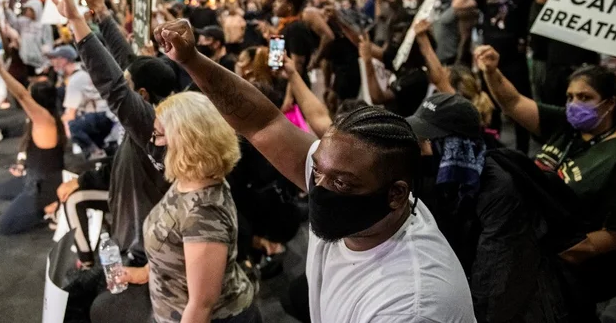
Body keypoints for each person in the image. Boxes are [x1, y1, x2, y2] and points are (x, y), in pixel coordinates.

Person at [154, 18, 475, 323]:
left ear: (396, 194)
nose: (318, 186)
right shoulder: (346, 180)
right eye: (318, 170)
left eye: (340, 182)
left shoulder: (412, 305)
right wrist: (192, 60)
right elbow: (262, 123)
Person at [51, 0, 176, 322]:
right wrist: (102, 13)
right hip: (133, 230)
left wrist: (77, 21)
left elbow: (114, 83)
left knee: (81, 305)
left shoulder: (153, 125)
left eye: (130, 82)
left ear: (142, 94)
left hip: (143, 251)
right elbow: (129, 64)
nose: (125, 72)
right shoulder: (167, 107)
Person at [406, 93, 583, 322]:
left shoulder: (499, 190)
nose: (418, 148)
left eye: (426, 140)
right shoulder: (447, 181)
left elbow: (497, 283)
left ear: (453, 147)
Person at [476, 45, 616, 308]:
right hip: (530, 253)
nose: (574, 105)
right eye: (570, 97)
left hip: (572, 274)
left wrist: (549, 252)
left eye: (584, 97)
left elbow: (615, 234)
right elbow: (513, 102)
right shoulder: (567, 127)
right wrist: (491, 71)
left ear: (610, 102)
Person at [115, 92, 260, 323]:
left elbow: (201, 305)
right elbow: (171, 243)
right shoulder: (190, 179)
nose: (155, 142)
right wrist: (146, 272)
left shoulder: (202, 213)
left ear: (187, 143)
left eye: (160, 135)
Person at [452, 0, 534, 154]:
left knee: (520, 105)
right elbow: (458, 4)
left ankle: (523, 152)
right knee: (492, 109)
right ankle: (494, 150)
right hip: (489, 62)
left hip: (515, 59)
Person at [0, 54, 65, 235]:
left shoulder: (45, 121)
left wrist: (0, 70)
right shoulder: (46, 117)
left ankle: (53, 208)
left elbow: (22, 95)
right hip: (33, 176)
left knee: (5, 226)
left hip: (44, 187)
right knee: (0, 191)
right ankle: (43, 203)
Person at [46, 44, 113, 160]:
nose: (53, 62)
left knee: (73, 126)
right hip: (101, 114)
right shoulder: (77, 72)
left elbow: (70, 114)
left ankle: (96, 153)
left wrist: (53, 126)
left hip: (102, 116)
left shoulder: (76, 79)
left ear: (64, 60)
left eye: (56, 58)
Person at [4, 0, 53, 75]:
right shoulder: (24, 22)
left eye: (30, 9)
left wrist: (46, 63)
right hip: (24, 61)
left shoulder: (44, 25)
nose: (27, 12)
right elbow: (13, 23)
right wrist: (6, 10)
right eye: (27, 9)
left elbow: (48, 45)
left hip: (39, 64)